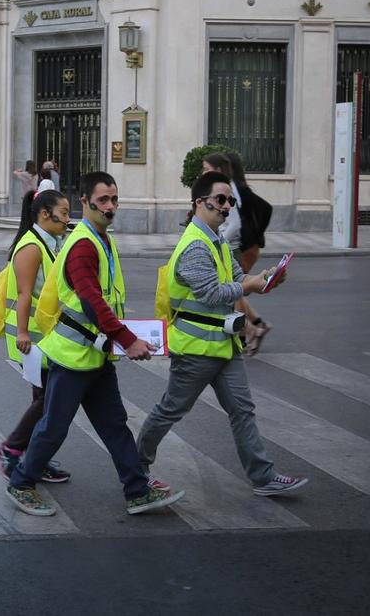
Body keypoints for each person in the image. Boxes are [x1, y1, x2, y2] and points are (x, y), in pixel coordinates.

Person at [6, 171, 184, 518]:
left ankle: (136, 489)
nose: (110, 206)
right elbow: (91, 299)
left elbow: (105, 298)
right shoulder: (84, 243)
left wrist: (119, 340)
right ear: (84, 202)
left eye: (114, 199)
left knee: (114, 423)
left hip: (96, 354)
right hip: (73, 357)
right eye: (103, 199)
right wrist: (127, 340)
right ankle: (21, 481)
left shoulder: (102, 238)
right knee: (54, 427)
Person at [135, 171, 308, 498]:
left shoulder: (218, 241)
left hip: (225, 346)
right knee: (170, 410)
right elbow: (213, 293)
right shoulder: (194, 245)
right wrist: (250, 284)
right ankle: (136, 467)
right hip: (196, 350)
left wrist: (266, 279)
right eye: (220, 200)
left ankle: (263, 476)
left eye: (230, 200)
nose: (226, 206)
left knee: (242, 410)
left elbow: (238, 281)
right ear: (200, 203)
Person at [0, 189, 71, 483]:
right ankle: (11, 448)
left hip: (46, 335)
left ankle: (37, 456)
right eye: (63, 213)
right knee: (47, 400)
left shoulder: (50, 242)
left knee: (45, 400)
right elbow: (25, 294)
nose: (67, 219)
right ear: (44, 214)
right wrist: (23, 332)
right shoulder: (31, 246)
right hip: (33, 338)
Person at [202, 151, 275, 354]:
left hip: (236, 248)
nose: (203, 172)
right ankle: (255, 326)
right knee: (236, 289)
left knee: (235, 290)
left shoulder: (227, 188)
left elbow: (234, 222)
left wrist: (219, 240)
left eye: (206, 168)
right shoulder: (227, 186)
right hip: (235, 246)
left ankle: (245, 333)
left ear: (218, 169)